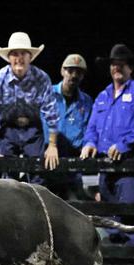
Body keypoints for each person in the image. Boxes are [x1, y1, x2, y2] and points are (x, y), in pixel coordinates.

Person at [80, 44, 134, 246]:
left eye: (122, 65)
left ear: (130, 68)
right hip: (106, 169)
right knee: (110, 222)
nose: (117, 68)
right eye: (114, 64)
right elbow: (93, 126)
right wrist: (89, 142)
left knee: (129, 221)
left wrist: (123, 145)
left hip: (129, 167)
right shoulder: (103, 96)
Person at [0, 31, 61, 183]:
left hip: (33, 131)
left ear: (30, 57)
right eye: (15, 54)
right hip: (7, 131)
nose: (19, 58)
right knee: (9, 178)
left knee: (38, 174)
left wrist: (53, 145)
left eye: (23, 53)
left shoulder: (41, 78)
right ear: (9, 58)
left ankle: (37, 204)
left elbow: (51, 113)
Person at [41, 54, 93, 200]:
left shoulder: (86, 101)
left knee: (74, 208)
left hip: (73, 164)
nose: (74, 75)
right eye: (70, 71)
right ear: (62, 71)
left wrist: (87, 144)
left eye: (79, 72)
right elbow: (41, 123)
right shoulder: (47, 94)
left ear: (83, 76)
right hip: (48, 160)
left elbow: (89, 129)